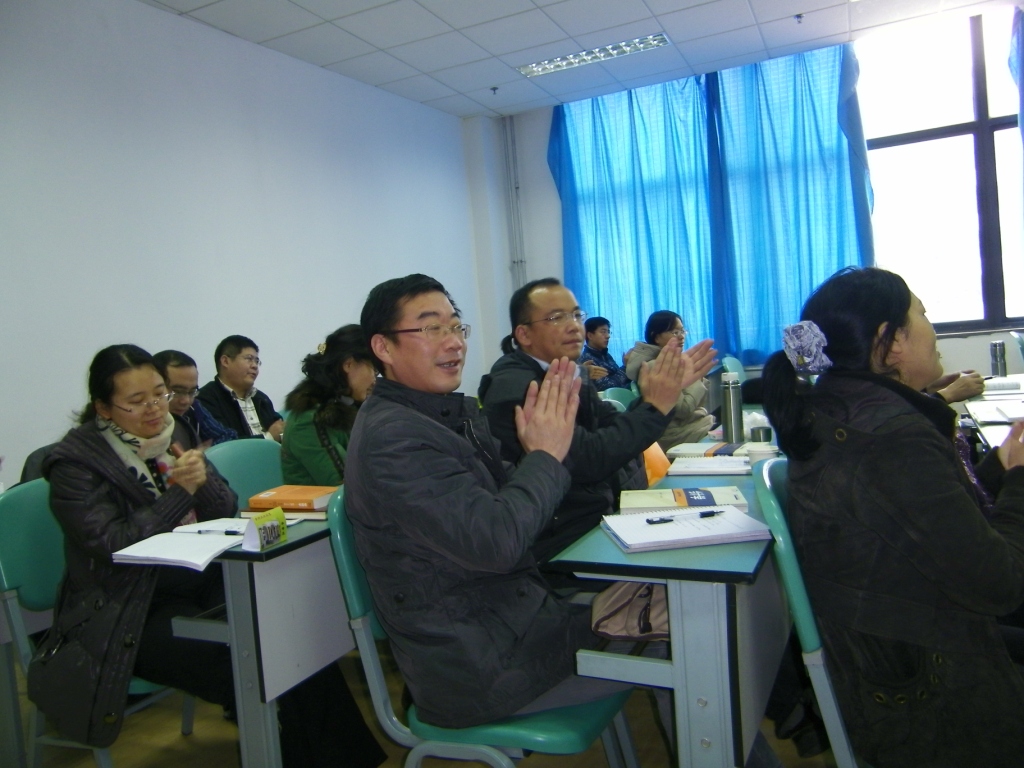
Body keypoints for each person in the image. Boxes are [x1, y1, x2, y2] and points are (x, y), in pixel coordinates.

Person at [34, 344, 386, 767]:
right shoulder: (75, 464)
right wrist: (179, 493)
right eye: (136, 401)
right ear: (103, 409)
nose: (154, 409)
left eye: (160, 394)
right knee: (257, 661)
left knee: (291, 636)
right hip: (128, 608)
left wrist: (202, 483)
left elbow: (224, 507)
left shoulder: (173, 431)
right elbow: (115, 546)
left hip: (200, 580)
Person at [761, 267, 1024, 768]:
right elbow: (1002, 586)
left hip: (901, 650)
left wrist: (999, 470)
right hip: (930, 685)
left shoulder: (841, 406)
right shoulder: (891, 438)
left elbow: (928, 517)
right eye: (922, 314)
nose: (932, 326)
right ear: (891, 340)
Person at [478, 278, 716, 564]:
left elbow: (614, 427)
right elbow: (589, 459)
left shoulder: (568, 371)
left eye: (577, 315)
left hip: (597, 516)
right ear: (524, 334)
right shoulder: (518, 388)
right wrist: (656, 406)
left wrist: (657, 398)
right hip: (559, 541)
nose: (573, 326)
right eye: (556, 317)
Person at [280, 325, 377, 486]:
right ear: (349, 364)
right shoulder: (311, 420)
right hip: (324, 502)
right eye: (373, 368)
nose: (374, 379)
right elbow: (346, 484)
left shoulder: (349, 405)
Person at [625, 310, 714, 451]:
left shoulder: (674, 361)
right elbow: (684, 410)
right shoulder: (654, 366)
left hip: (691, 427)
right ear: (656, 337)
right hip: (676, 435)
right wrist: (697, 377)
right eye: (674, 332)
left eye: (682, 331)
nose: (681, 336)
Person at [197, 335, 284, 442]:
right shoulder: (206, 398)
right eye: (249, 359)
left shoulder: (261, 398)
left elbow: (279, 427)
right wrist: (269, 437)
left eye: (257, 361)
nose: (255, 366)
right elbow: (224, 442)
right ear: (225, 361)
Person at [153, 349, 237, 445]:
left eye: (192, 392)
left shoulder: (194, 408)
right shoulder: (148, 417)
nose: (186, 401)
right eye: (178, 392)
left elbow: (227, 436)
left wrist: (203, 451)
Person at [578, 316, 630, 390]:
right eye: (603, 332)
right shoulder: (587, 360)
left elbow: (619, 376)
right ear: (590, 336)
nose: (608, 336)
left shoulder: (605, 355)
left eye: (608, 332)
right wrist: (625, 366)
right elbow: (608, 387)